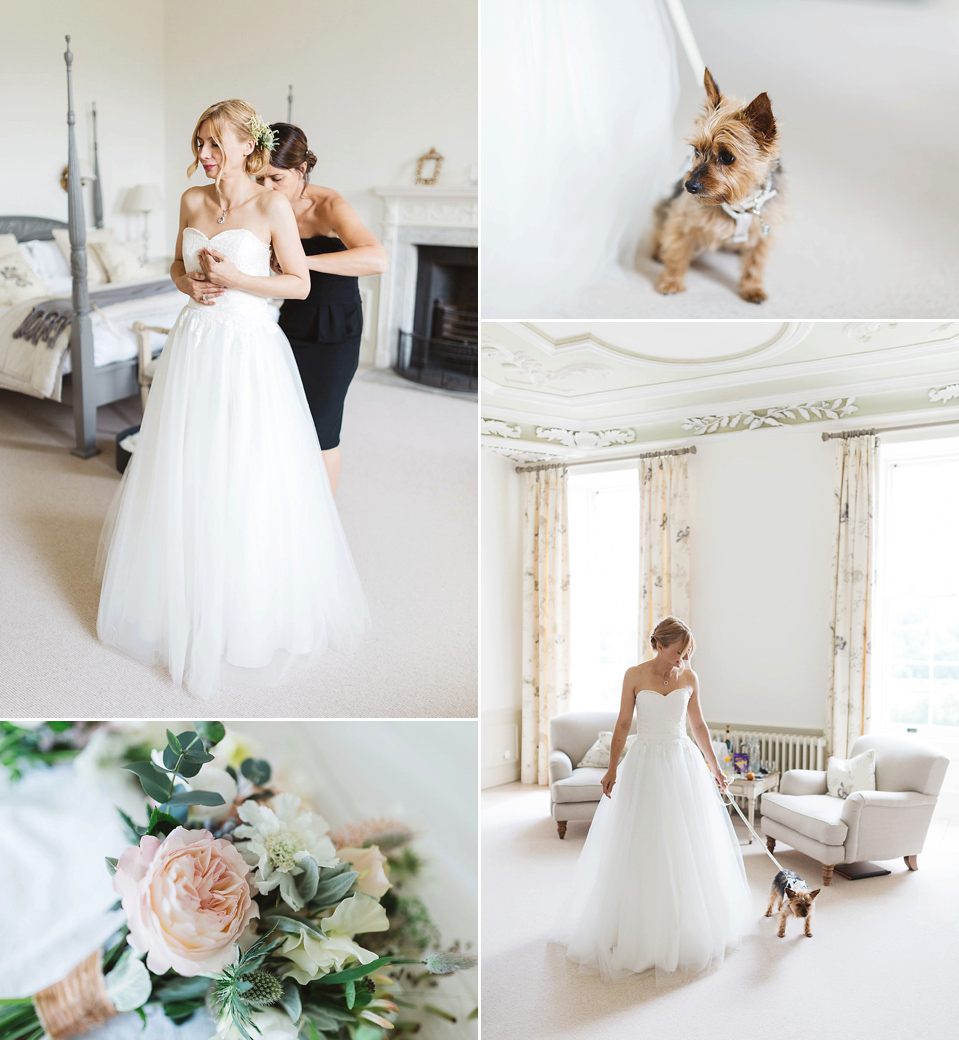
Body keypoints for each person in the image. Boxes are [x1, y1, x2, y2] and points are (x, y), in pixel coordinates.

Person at [96, 100, 369, 699]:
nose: (203, 155)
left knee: (245, 468)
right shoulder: (194, 201)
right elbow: (175, 262)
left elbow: (297, 283)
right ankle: (179, 594)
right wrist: (187, 280)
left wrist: (239, 280)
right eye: (199, 143)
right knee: (186, 465)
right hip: (195, 344)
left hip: (249, 350)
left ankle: (243, 605)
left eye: (214, 144)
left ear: (248, 145)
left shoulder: (274, 205)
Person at [554, 616, 755, 981]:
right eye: (678, 652)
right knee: (643, 841)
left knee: (684, 843)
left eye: (687, 653)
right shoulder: (634, 675)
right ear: (658, 645)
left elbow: (698, 726)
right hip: (645, 762)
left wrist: (715, 766)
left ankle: (684, 924)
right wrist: (612, 767)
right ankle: (636, 924)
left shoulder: (690, 678)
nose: (682, 659)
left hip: (681, 763)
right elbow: (622, 725)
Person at [258, 123, 387, 497]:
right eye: (260, 178)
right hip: (291, 322)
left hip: (335, 326)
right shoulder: (264, 202)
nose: (266, 188)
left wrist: (303, 262)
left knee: (322, 430)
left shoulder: (328, 204)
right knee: (284, 419)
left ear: (301, 170)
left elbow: (377, 259)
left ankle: (324, 518)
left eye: (275, 178)